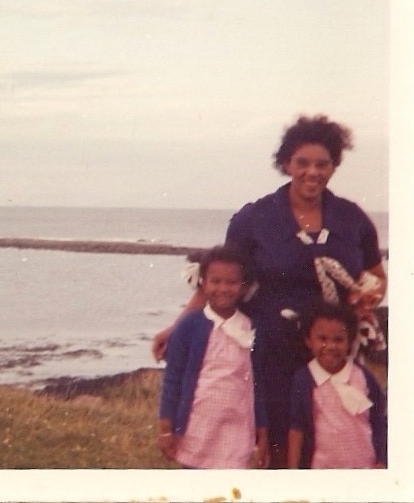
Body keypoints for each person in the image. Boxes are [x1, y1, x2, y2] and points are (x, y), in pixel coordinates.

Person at [152, 115, 387, 467]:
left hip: (332, 345)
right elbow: (221, 280)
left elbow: (375, 276)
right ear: (286, 164)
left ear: (334, 165)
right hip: (269, 348)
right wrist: (179, 324)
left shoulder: (351, 218)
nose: (312, 172)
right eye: (302, 163)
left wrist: (366, 296)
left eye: (322, 164)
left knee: (328, 434)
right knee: (274, 438)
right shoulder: (256, 217)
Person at [158, 245, 269, 469]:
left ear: (244, 286)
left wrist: (263, 433)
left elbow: (259, 387)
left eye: (231, 282)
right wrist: (166, 429)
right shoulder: (189, 326)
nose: (223, 288)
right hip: (197, 427)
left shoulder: (251, 328)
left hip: (237, 429)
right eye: (215, 281)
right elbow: (173, 380)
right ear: (203, 283)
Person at [287, 301, 387, 468]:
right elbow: (297, 428)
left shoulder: (362, 376)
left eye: (339, 340)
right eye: (322, 339)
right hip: (323, 471)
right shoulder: (304, 379)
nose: (331, 346)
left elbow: (379, 420)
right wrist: (292, 472)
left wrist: (382, 460)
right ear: (309, 340)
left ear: (350, 342)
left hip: (364, 468)